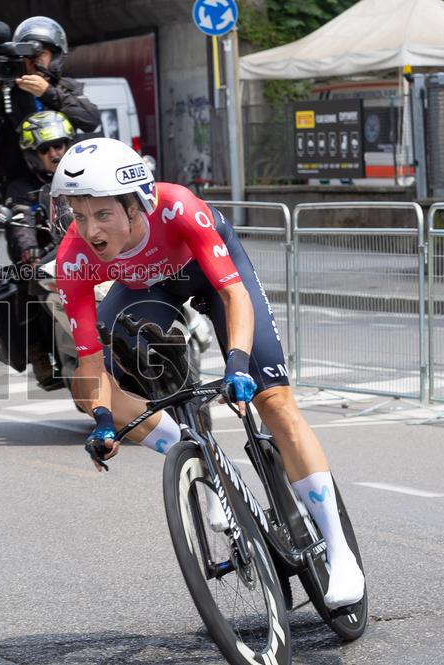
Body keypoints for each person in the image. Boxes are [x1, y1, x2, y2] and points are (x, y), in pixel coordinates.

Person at [51, 138, 366, 610]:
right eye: (78, 215)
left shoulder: (177, 207)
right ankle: (196, 451)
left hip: (210, 274)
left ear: (136, 206)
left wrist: (238, 365)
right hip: (148, 289)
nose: (88, 228)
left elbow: (235, 296)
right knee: (87, 387)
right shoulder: (74, 258)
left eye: (101, 215)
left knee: (274, 401)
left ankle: (340, 554)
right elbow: (90, 363)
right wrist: (101, 419)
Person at [0, 16, 100, 202]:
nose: (35, 61)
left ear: (55, 56)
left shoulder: (66, 88)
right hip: (22, 191)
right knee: (20, 226)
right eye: (28, 55)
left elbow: (90, 120)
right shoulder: (6, 94)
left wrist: (48, 92)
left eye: (41, 54)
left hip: (69, 183)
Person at [2, 110, 74, 387]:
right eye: (45, 149)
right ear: (34, 154)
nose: (55, 153)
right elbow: (20, 221)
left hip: (94, 248)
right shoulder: (22, 187)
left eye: (59, 145)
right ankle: (38, 351)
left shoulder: (86, 172)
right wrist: (29, 251)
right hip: (49, 255)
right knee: (25, 279)